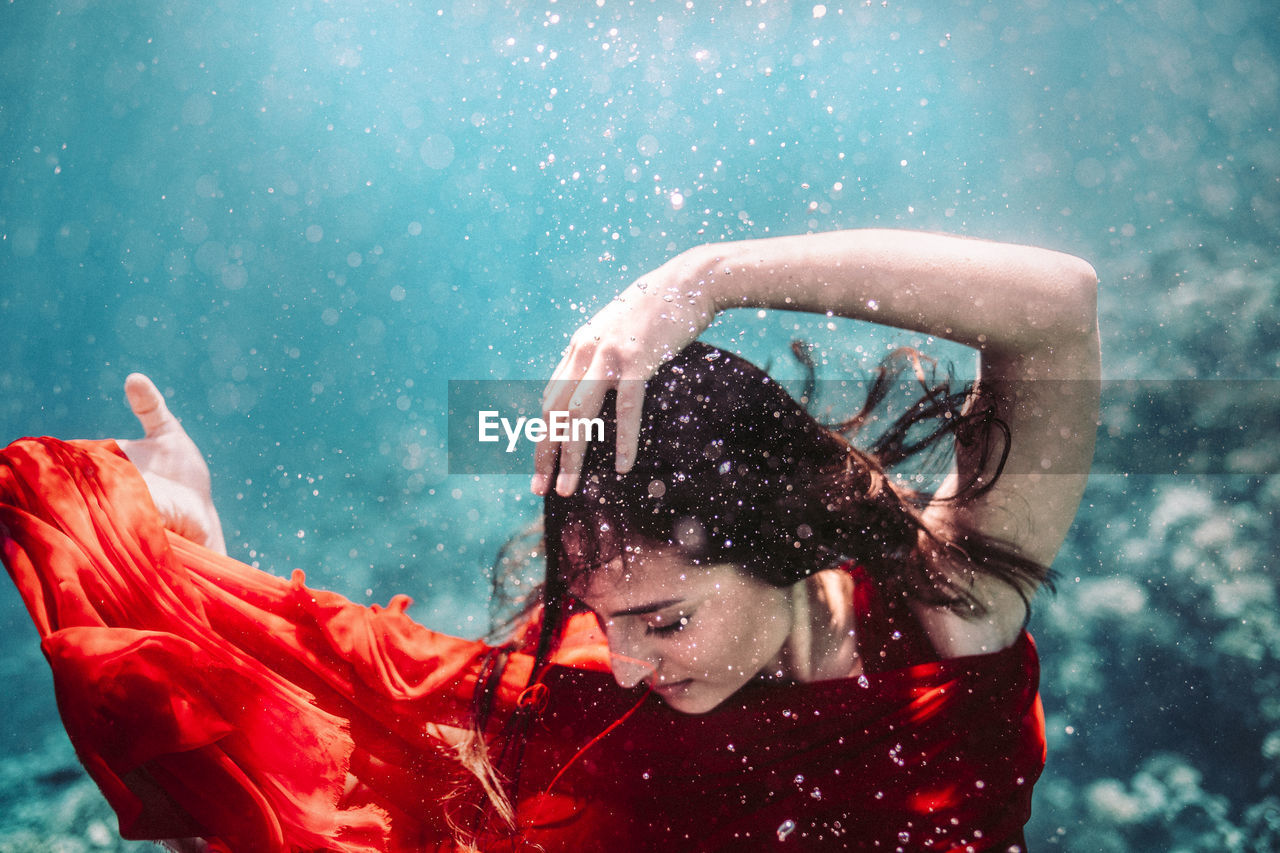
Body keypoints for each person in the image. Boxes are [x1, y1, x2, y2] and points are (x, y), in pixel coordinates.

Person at [0, 228, 1099, 851]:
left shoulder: (942, 613)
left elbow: (1057, 304)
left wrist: (709, 276)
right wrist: (197, 562)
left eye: (664, 619)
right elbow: (306, 807)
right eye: (600, 614)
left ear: (789, 541)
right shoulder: (578, 698)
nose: (626, 661)